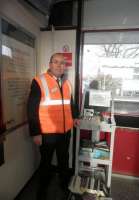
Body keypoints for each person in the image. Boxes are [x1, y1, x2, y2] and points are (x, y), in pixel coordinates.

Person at [27, 53, 80, 200]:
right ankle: (42, 191)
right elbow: (31, 109)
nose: (59, 65)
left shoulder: (67, 83)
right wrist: (35, 132)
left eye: (62, 63)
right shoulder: (39, 81)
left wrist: (75, 117)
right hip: (47, 133)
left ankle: (64, 186)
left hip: (65, 131)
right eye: (56, 62)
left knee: (64, 160)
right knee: (46, 163)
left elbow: (71, 103)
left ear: (65, 66)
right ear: (50, 64)